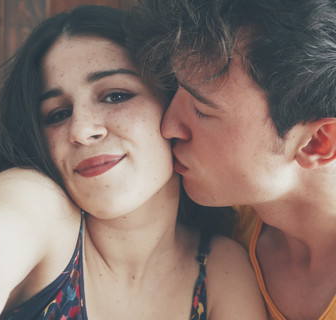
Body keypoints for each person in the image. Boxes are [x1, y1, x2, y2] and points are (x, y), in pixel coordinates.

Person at [0, 5, 266, 320]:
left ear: (173, 106)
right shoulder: (43, 210)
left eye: (115, 95)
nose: (81, 130)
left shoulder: (219, 268)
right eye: (56, 113)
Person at [122, 0, 336, 319]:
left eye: (202, 111)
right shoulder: (217, 230)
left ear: (316, 144)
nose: (167, 127)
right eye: (175, 90)